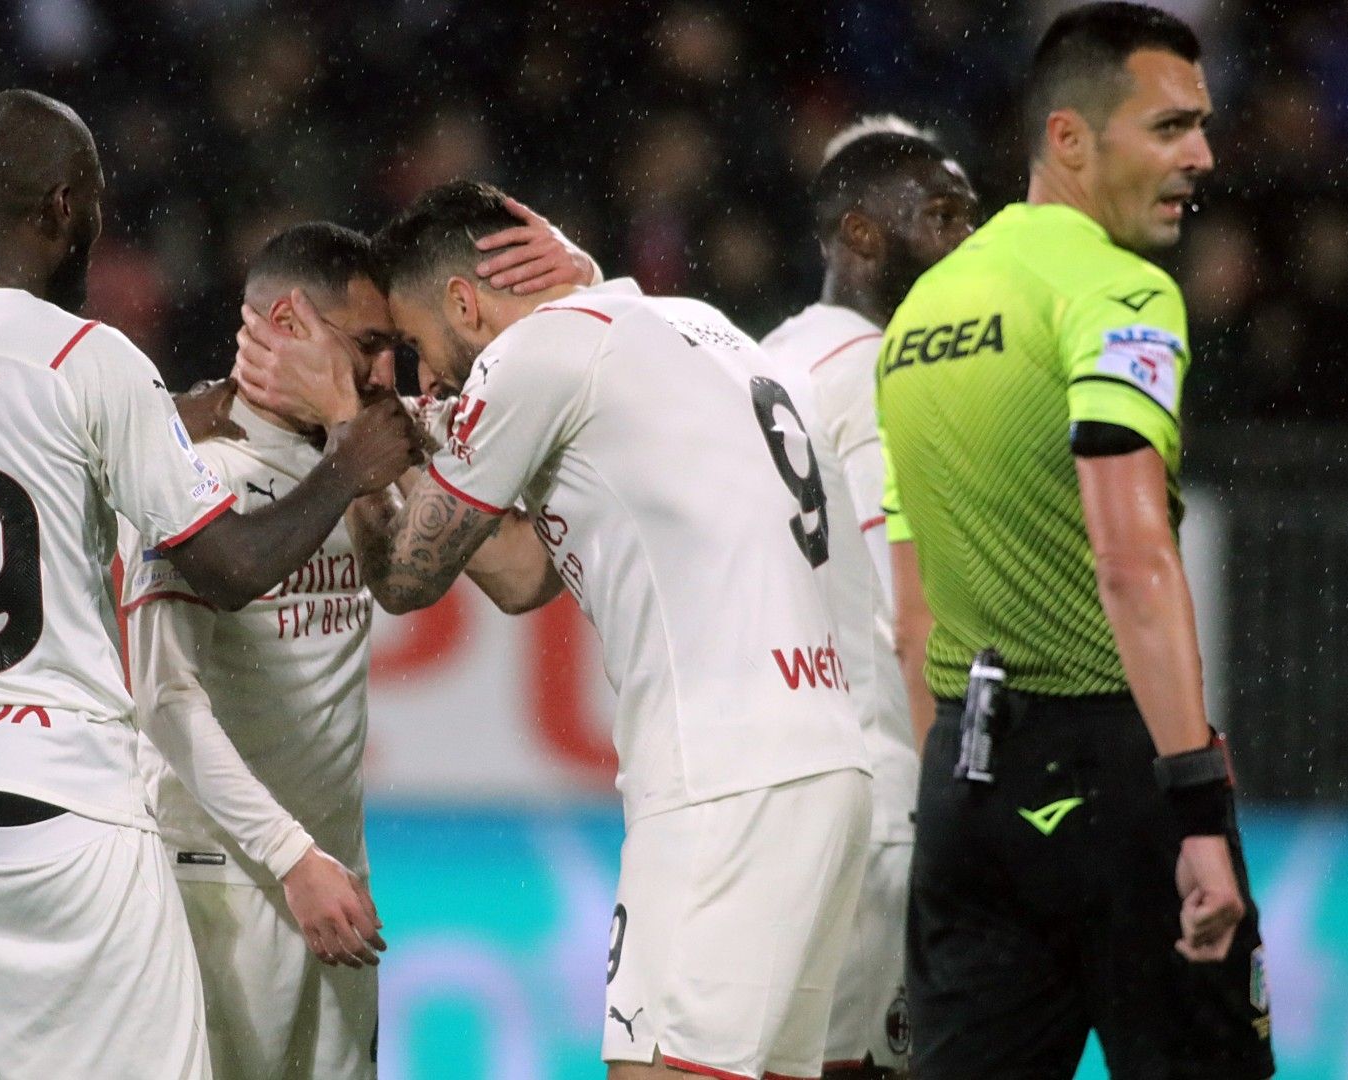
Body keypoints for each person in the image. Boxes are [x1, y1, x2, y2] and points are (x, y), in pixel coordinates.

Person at [0, 89, 419, 1080]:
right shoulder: (87, 358)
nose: (95, 227)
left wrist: (172, 417)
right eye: (92, 204)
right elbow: (227, 568)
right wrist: (347, 467)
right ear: (61, 207)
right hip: (63, 819)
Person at [236, 180, 872, 1080]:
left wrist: (348, 423)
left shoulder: (537, 354)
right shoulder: (695, 325)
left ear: (465, 302)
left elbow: (407, 578)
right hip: (824, 764)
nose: (427, 381)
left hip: (723, 774)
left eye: (416, 347)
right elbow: (524, 576)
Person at [876, 5, 1274, 1077]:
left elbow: (913, 621)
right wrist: (1195, 804)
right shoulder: (1116, 291)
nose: (1202, 156)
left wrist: (953, 807)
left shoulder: (920, 316)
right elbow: (1130, 560)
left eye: (1202, 125)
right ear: (1069, 139)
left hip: (964, 783)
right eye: (1170, 127)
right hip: (1116, 776)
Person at [121, 217, 590, 1080]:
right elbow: (164, 702)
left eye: (394, 350)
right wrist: (290, 858)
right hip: (217, 879)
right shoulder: (192, 467)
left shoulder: (365, 444)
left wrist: (581, 285)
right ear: (289, 324)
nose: (387, 374)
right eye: (370, 346)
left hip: (334, 878)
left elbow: (511, 574)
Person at [758, 117, 978, 1080]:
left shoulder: (764, 357)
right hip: (882, 793)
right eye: (942, 216)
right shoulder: (890, 373)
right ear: (859, 234)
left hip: (773, 783)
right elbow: (910, 618)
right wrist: (951, 801)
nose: (967, 240)